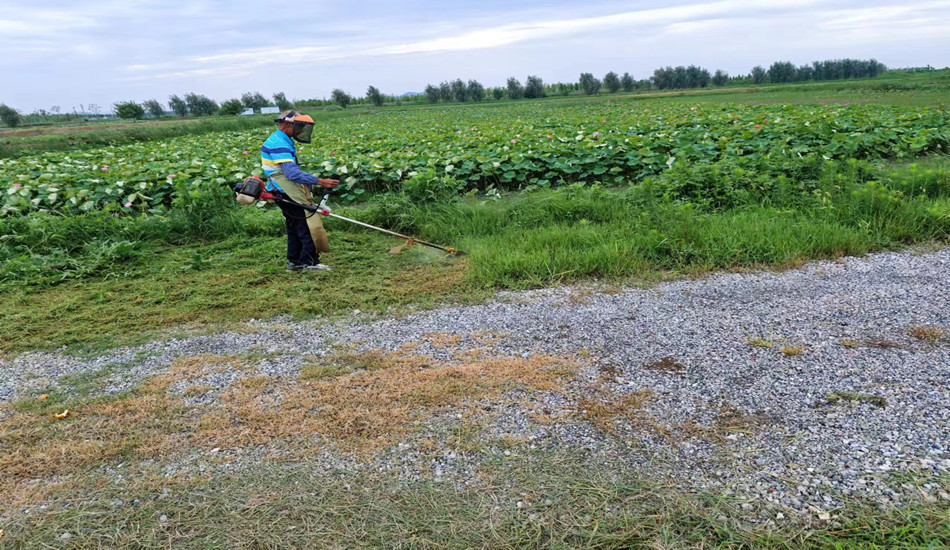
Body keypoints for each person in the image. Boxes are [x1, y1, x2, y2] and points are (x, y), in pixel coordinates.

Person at [261, 110, 339, 271]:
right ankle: (308, 262)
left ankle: (294, 261)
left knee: (294, 226)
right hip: (284, 190)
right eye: (299, 126)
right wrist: (321, 181)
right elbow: (292, 173)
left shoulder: (281, 139)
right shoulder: (279, 143)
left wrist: (307, 183)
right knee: (306, 225)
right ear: (288, 124)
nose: (301, 131)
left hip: (282, 189)